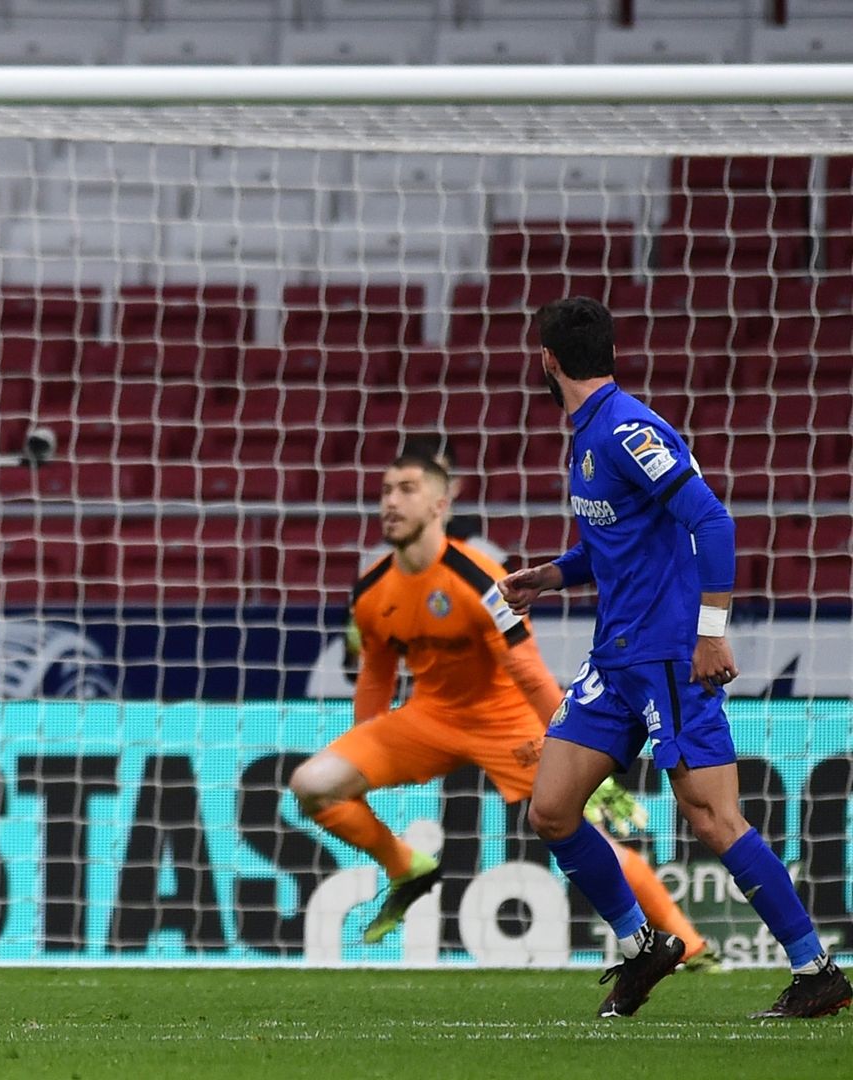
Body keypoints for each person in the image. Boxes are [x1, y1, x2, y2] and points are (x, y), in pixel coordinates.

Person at [502, 296, 849, 1019]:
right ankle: (641, 945)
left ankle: (817, 970)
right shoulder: (588, 432)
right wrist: (553, 576)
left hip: (668, 656)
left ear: (547, 360)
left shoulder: (628, 429)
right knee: (552, 809)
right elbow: (613, 543)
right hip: (615, 659)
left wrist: (711, 631)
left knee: (714, 819)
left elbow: (711, 518)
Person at [292, 452, 709, 964]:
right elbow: (376, 673)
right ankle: (407, 868)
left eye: (405, 489)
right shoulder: (372, 590)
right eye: (384, 491)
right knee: (312, 785)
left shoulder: (477, 579)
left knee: (585, 833)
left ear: (440, 504)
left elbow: (530, 673)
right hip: (428, 718)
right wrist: (364, 746)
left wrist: (582, 755)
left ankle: (688, 944)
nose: (390, 502)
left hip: (505, 720)